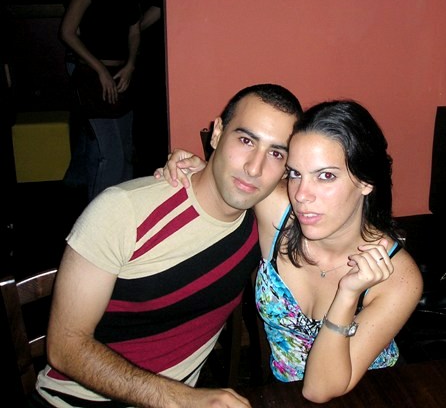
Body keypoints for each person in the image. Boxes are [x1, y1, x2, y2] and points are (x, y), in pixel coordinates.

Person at [31, 84, 303, 408]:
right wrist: (182, 399)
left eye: (276, 153)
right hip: (71, 401)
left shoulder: (264, 220)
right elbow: (65, 347)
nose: (254, 168)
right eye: (245, 140)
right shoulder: (122, 211)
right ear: (217, 133)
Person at [160, 100, 424, 403]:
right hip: (283, 394)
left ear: (365, 181)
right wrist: (197, 169)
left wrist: (348, 294)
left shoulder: (398, 278)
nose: (301, 195)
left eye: (325, 176)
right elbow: (230, 181)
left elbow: (319, 389)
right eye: (295, 173)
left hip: (371, 394)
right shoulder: (276, 210)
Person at [59, 0, 151, 202]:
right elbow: (67, 31)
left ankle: (122, 214)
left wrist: (131, 65)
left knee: (125, 153)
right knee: (111, 155)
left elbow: (134, 31)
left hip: (122, 73)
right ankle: (99, 220)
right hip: (93, 75)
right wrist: (100, 69)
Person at [60, 0, 106, 200]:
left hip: (83, 63)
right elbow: (72, 32)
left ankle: (77, 183)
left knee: (89, 132)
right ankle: (84, 190)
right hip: (82, 64)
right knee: (93, 134)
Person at [132, 0, 169, 177]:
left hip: (154, 69)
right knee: (148, 126)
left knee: (150, 126)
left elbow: (141, 25)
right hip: (150, 67)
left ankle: (150, 172)